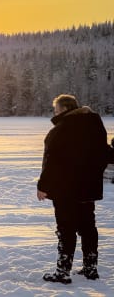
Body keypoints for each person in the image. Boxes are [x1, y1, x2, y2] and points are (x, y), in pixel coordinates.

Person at [37, 94, 108, 284]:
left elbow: (52, 160)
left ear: (65, 109)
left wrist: (43, 185)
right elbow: (104, 153)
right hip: (88, 188)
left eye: (56, 110)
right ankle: (90, 268)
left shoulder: (63, 128)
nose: (55, 113)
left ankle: (63, 271)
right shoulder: (94, 125)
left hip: (65, 188)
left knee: (66, 228)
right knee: (88, 227)